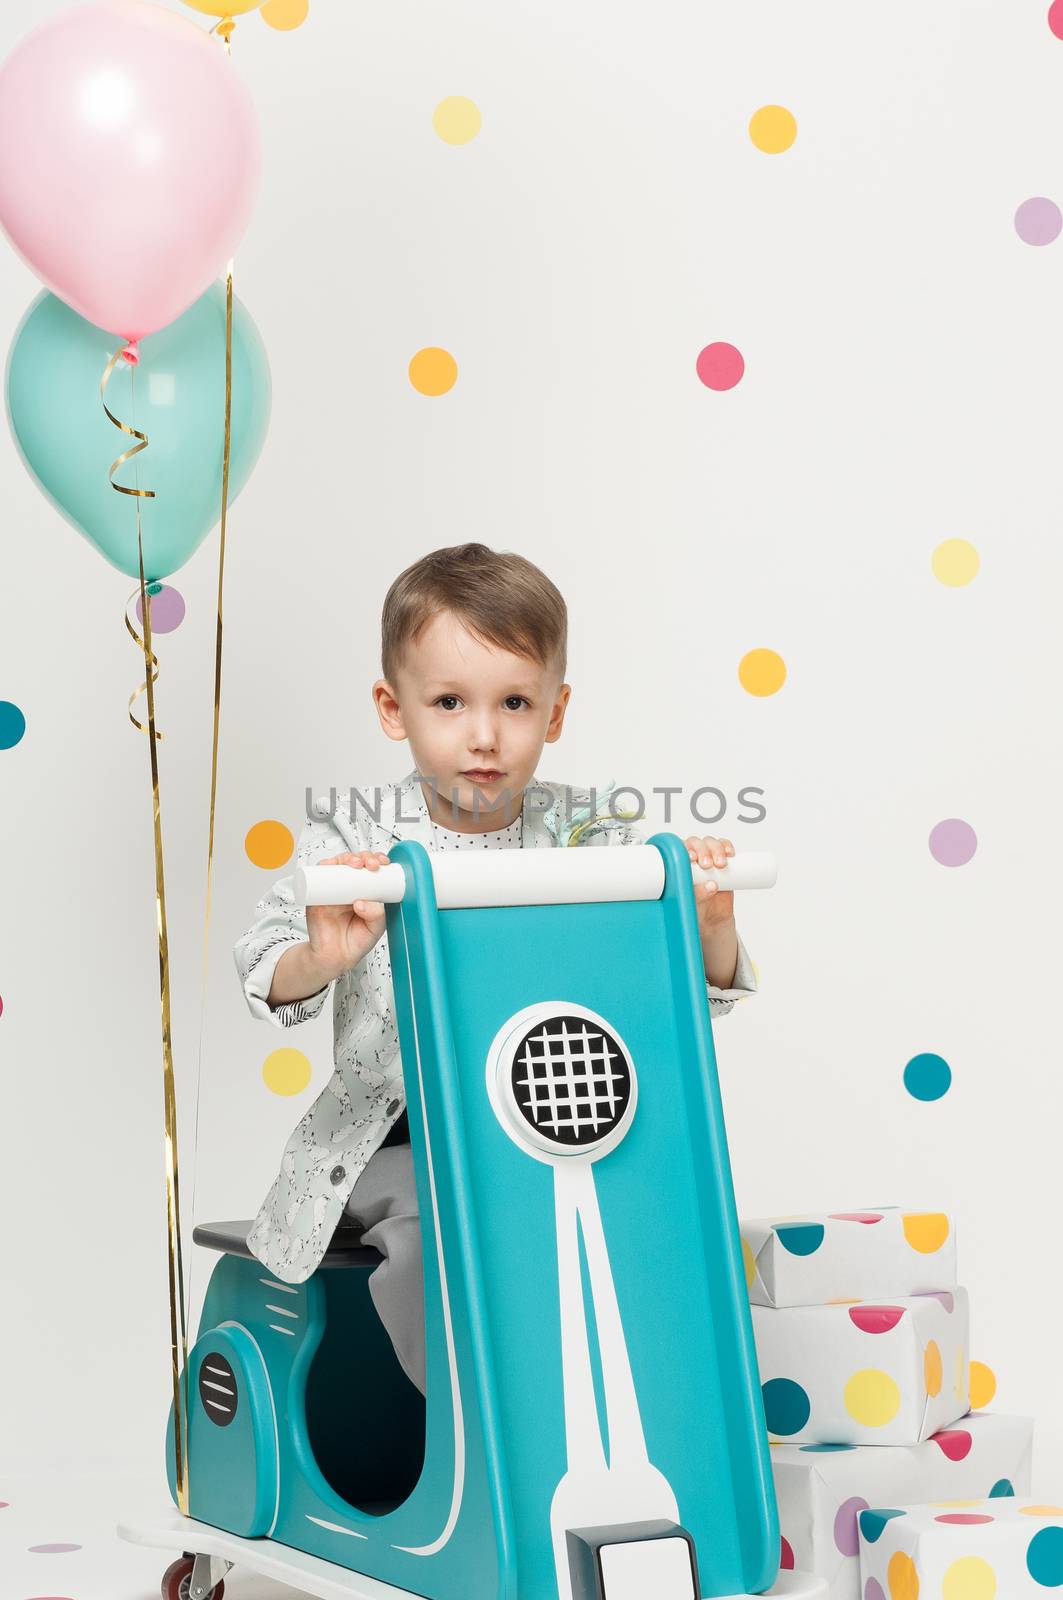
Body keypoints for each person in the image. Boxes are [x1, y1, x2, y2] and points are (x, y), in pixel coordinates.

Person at [233, 542, 758, 1396]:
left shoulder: (590, 835)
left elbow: (687, 995)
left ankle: (654, 1406)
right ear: (393, 707)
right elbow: (262, 965)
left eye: (514, 701)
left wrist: (700, 922)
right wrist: (319, 957)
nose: (483, 735)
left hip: (559, 1120)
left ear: (554, 712)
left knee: (652, 1221)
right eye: (449, 702)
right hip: (404, 1136)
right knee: (443, 1239)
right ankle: (482, 1430)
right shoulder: (354, 839)